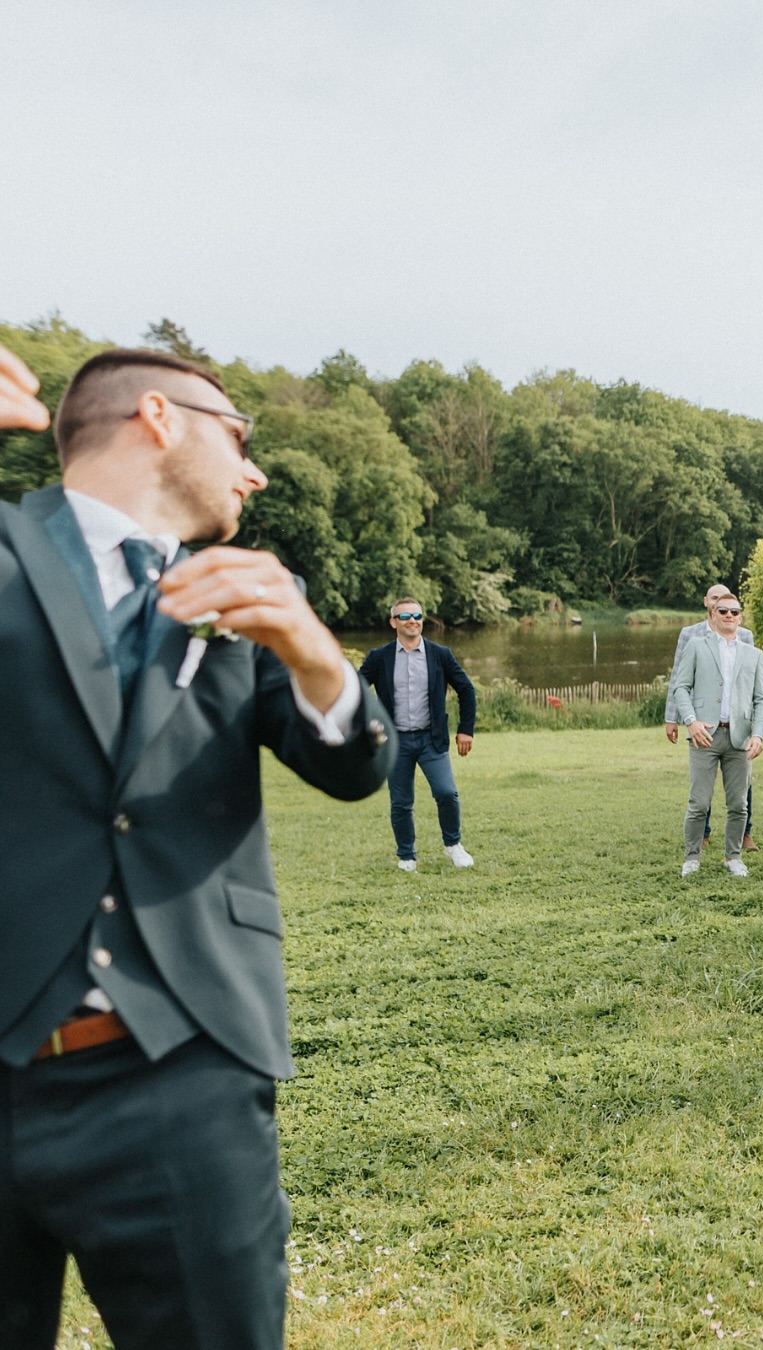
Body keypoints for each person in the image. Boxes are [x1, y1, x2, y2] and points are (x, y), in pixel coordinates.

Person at [0, 345, 395, 1348]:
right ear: (159, 415)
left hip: (185, 1072)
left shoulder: (262, 597)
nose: (255, 472)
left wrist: (313, 655)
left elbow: (352, 770)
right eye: (242, 435)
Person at [360, 600, 477, 871]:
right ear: (394, 622)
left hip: (431, 739)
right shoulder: (380, 657)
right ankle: (407, 856)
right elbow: (355, 690)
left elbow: (466, 690)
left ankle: (453, 845)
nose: (412, 620)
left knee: (446, 792)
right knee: (401, 802)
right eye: (405, 616)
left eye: (417, 615)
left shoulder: (440, 654)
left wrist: (465, 730)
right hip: (395, 742)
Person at [672, 593, 763, 877]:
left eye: (734, 612)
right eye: (723, 610)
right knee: (699, 802)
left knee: (739, 804)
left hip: (739, 738)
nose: (729, 615)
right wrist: (690, 721)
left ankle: (733, 857)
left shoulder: (754, 654)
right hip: (704, 736)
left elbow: (761, 699)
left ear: (740, 616)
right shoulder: (696, 646)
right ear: (713, 615)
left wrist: (758, 734)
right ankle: (692, 857)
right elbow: (681, 687)